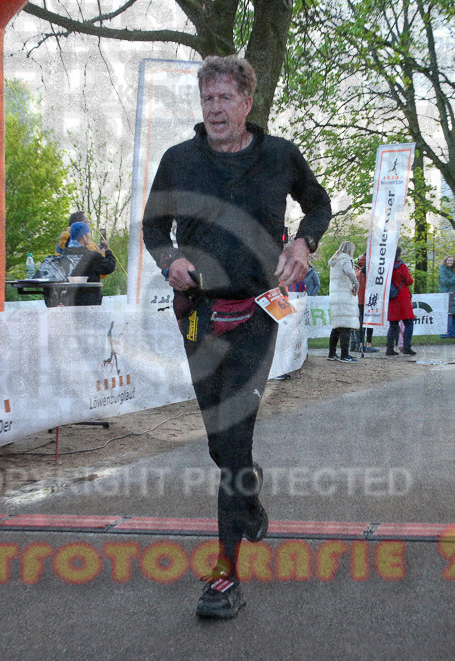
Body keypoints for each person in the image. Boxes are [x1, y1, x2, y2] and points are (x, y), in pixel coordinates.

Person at [142, 55, 331, 619]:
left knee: (232, 436)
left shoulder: (280, 156)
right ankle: (247, 496)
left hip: (256, 313)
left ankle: (225, 580)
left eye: (225, 98)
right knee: (219, 444)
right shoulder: (179, 160)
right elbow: (154, 227)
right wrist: (170, 260)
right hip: (198, 316)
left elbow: (318, 204)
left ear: (247, 102)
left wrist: (304, 242)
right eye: (208, 99)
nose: (215, 109)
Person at [61, 221, 116, 305]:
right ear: (84, 236)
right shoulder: (92, 256)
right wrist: (107, 249)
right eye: (88, 233)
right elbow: (109, 266)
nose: (90, 236)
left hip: (70, 303)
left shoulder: (64, 255)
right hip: (90, 303)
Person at [327, 241, 359, 362]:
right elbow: (349, 272)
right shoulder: (346, 259)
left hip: (335, 296)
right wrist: (355, 282)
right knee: (346, 326)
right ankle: (344, 355)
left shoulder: (334, 260)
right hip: (344, 295)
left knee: (336, 326)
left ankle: (331, 353)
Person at [386, 246, 416, 356]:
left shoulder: (387, 266)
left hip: (392, 297)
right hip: (402, 297)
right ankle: (407, 347)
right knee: (409, 322)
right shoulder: (401, 265)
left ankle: (389, 348)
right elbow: (409, 281)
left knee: (393, 324)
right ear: (399, 254)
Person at [356, 255, 377, 352]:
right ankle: (368, 344)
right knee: (369, 322)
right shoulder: (369, 269)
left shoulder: (357, 269)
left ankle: (361, 344)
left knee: (360, 322)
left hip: (358, 299)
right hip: (368, 299)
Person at [438, 255, 455, 338]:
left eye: (452, 261)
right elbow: (446, 282)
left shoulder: (452, 271)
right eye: (449, 260)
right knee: (447, 315)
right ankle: (444, 334)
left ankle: (452, 334)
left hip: (453, 294)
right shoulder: (442, 270)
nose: (451, 262)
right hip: (446, 294)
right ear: (445, 261)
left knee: (454, 314)